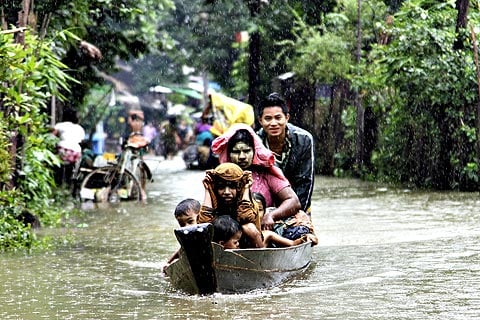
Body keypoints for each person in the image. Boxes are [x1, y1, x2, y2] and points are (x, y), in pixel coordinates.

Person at [211, 123, 301, 231]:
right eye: (236, 152)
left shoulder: (266, 173)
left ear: (254, 151)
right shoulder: (220, 177)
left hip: (262, 229)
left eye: (247, 151)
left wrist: (271, 215)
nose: (242, 157)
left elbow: (294, 201)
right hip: (228, 232)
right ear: (228, 154)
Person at [256, 93, 315, 215]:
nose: (273, 123)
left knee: (303, 231)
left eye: (278, 118)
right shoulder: (256, 141)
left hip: (298, 203)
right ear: (260, 120)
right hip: (266, 206)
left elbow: (305, 182)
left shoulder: (304, 139)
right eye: (268, 118)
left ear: (287, 118)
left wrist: (297, 213)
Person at [197, 162, 263, 248]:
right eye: (221, 187)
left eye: (232, 187)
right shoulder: (212, 201)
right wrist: (207, 189)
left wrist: (246, 187)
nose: (227, 192)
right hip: (220, 244)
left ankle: (261, 258)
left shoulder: (248, 202)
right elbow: (204, 223)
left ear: (239, 188)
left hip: (243, 244)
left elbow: (245, 217)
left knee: (249, 228)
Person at [253, 192, 318, 247]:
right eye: (252, 209)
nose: (256, 213)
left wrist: (305, 238)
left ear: (264, 212)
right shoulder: (244, 228)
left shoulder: (268, 234)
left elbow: (293, 243)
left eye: (260, 210)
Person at [164, 198, 201, 271]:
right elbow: (182, 249)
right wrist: (168, 263)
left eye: (190, 221)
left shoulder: (205, 229)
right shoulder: (186, 235)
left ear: (199, 218)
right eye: (182, 224)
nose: (186, 227)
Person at [51, 108, 86, 185]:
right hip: (75, 153)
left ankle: (56, 181)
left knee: (56, 166)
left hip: (62, 151)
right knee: (73, 168)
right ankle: (72, 179)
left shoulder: (60, 125)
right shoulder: (80, 128)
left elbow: (51, 137)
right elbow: (82, 142)